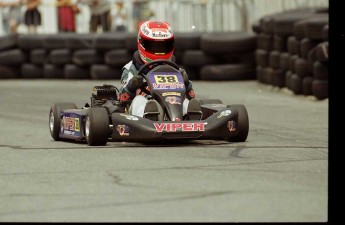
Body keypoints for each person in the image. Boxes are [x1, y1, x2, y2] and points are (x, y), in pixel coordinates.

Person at [118, 21, 198, 120]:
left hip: (172, 107)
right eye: (154, 46)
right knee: (140, 101)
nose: (159, 51)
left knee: (185, 102)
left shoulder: (175, 69)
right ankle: (150, 117)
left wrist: (186, 84)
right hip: (139, 114)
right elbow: (121, 99)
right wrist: (131, 87)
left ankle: (192, 119)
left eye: (163, 46)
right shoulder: (131, 69)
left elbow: (192, 97)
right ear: (142, 43)